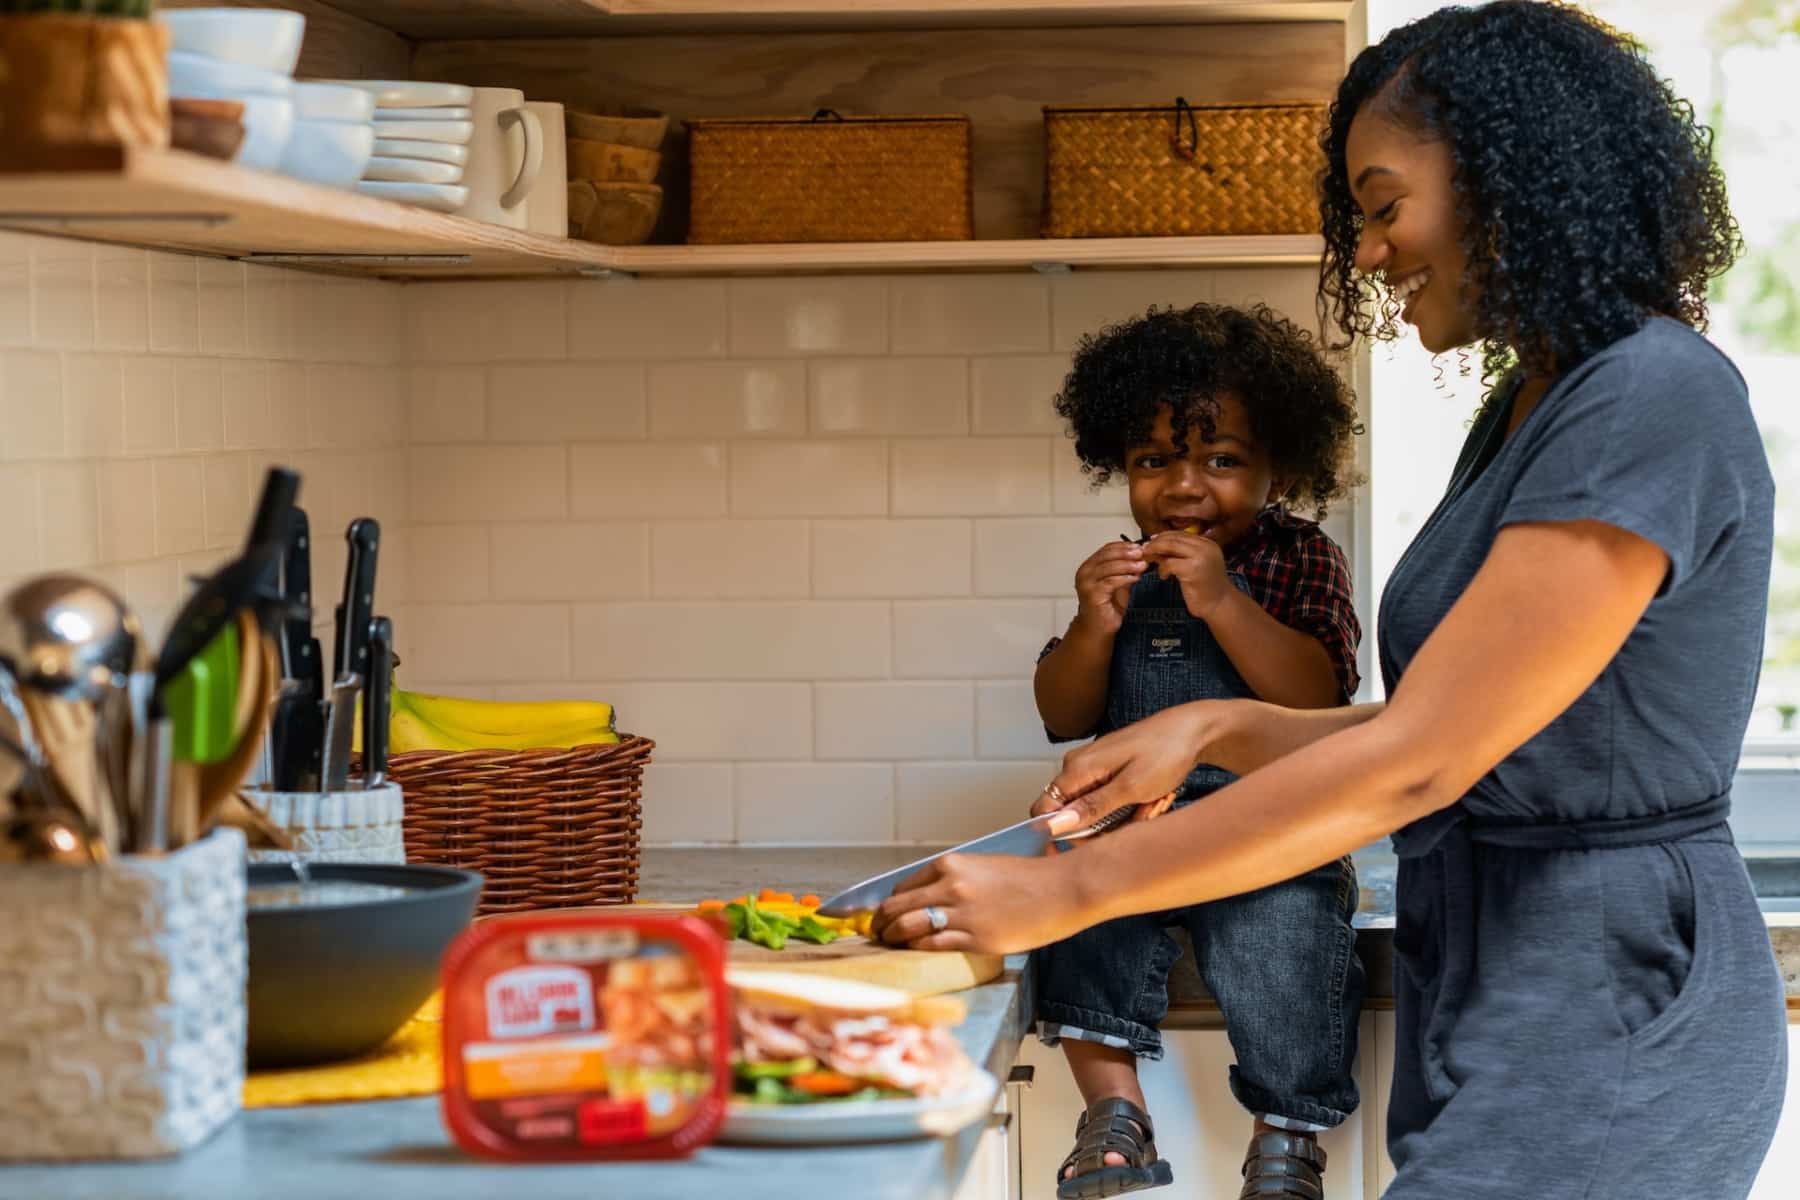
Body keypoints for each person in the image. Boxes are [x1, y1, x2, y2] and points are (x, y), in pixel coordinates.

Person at [873, 4, 1788, 1197]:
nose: (1365, 251)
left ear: (1506, 180)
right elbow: (1489, 725)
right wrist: (1215, 726)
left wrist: (1066, 890)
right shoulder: (1530, 408)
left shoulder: (1648, 397)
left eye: (1383, 203)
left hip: (1613, 992)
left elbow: (1423, 762)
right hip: (1509, 975)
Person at [1031, 302, 1364, 1200]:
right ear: (1121, 466)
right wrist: (1091, 628)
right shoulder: (1123, 571)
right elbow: (1064, 713)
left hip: (1271, 833)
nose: (1184, 486)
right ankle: (1114, 1116)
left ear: (1278, 465)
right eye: (1153, 461)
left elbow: (1319, 695)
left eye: (1221, 459)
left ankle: (1286, 1140)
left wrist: (1223, 602)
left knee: (1282, 939)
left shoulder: (1301, 558)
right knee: (1075, 911)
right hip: (1141, 826)